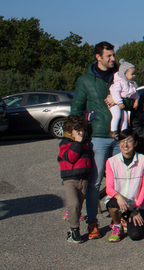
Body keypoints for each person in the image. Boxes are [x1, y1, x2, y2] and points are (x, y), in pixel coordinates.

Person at [70, 41, 125, 239]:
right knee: (95, 181)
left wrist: (121, 101)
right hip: (98, 136)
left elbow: (132, 98)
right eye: (109, 55)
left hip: (120, 136)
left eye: (113, 55)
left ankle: (118, 221)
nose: (113, 58)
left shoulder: (120, 76)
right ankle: (92, 221)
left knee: (120, 180)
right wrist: (75, 134)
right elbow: (76, 108)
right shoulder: (85, 80)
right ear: (98, 57)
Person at [104, 130, 144, 242]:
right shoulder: (111, 161)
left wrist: (136, 208)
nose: (125, 145)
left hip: (136, 204)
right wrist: (118, 196)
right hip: (120, 202)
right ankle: (117, 225)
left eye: (129, 141)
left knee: (135, 235)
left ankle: (126, 218)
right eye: (122, 141)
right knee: (112, 203)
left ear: (135, 143)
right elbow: (109, 188)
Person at [58, 115, 93, 243]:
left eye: (82, 130)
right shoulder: (65, 143)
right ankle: (74, 230)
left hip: (83, 178)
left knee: (79, 206)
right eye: (77, 130)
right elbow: (71, 157)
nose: (80, 133)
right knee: (74, 204)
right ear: (69, 131)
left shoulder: (86, 143)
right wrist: (77, 142)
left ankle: (74, 229)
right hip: (70, 179)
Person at [108, 59, 139, 138]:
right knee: (117, 115)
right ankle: (113, 131)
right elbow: (115, 93)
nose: (134, 76)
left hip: (123, 105)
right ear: (124, 74)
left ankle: (123, 133)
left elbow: (135, 94)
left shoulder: (131, 84)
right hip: (115, 104)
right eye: (132, 74)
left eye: (135, 74)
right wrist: (119, 102)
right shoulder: (119, 83)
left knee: (125, 118)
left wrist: (136, 100)